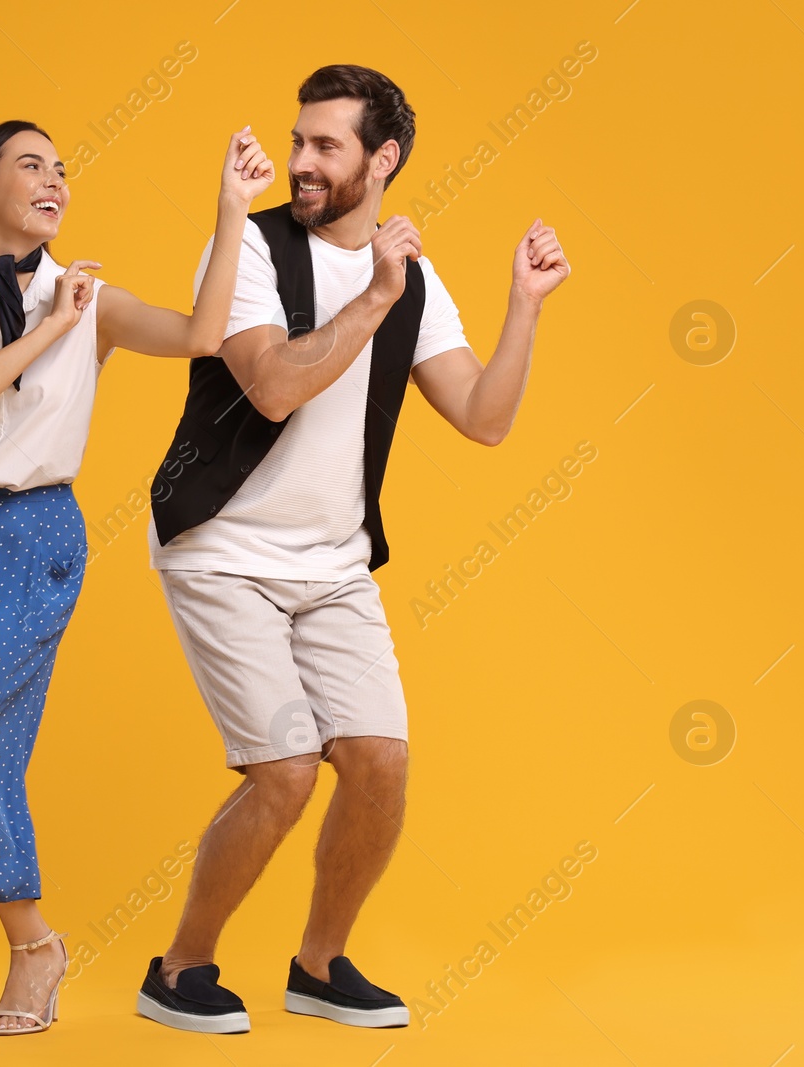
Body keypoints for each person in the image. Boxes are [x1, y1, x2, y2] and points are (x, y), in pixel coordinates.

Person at [136, 64, 571, 1033]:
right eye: (299, 141)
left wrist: (525, 304)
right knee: (286, 769)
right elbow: (272, 387)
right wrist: (371, 297)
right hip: (222, 548)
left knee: (379, 762)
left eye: (324, 145)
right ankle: (179, 967)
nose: (299, 162)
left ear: (383, 160)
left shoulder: (414, 281)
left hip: (331, 563)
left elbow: (483, 417)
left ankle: (318, 963)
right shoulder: (251, 247)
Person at [0, 118, 275, 1036]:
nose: (55, 181)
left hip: (33, 538)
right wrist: (53, 326)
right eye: (31, 165)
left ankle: (34, 946)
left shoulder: (94, 300)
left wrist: (232, 210)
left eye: (63, 169)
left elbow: (200, 333)